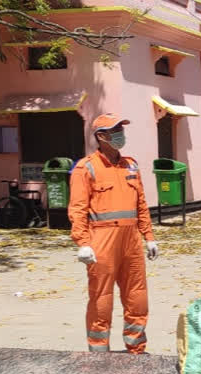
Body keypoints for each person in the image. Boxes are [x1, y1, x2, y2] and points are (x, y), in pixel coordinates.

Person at [68, 113, 159, 354]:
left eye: (121, 129)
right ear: (101, 136)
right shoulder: (86, 168)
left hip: (131, 240)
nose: (120, 134)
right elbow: (77, 209)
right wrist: (83, 243)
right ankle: (99, 352)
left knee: (137, 296)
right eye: (115, 130)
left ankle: (136, 349)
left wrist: (148, 236)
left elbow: (141, 204)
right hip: (102, 240)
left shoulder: (131, 164)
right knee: (101, 297)